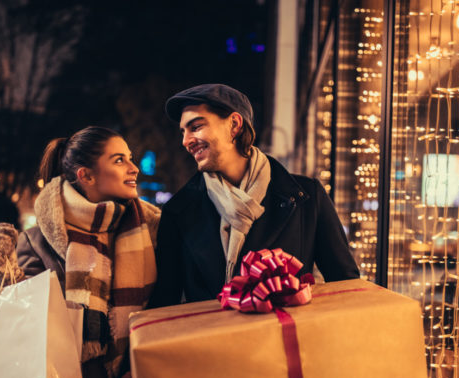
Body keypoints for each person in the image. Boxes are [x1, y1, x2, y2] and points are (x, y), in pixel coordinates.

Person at [0, 126, 160, 378]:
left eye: (131, 158)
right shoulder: (37, 241)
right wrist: (4, 273)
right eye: (119, 160)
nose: (134, 168)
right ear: (86, 175)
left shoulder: (147, 234)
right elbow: (10, 326)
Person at [148, 83, 359, 307]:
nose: (186, 141)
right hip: (210, 340)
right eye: (183, 131)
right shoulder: (178, 211)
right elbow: (164, 303)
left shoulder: (307, 197)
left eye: (196, 127)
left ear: (235, 125)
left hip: (287, 339)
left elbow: (346, 286)